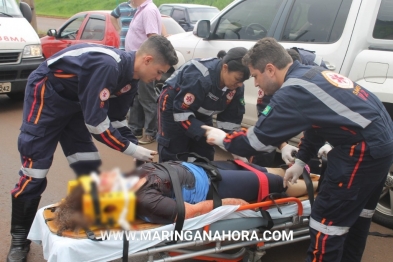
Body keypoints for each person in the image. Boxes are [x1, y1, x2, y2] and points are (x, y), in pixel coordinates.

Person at [203, 37, 393, 262]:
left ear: (270, 69)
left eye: (254, 75)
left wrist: (224, 139)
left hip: (361, 151)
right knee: (358, 216)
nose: (254, 84)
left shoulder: (292, 91)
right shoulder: (312, 74)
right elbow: (317, 124)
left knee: (326, 225)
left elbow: (257, 141)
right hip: (382, 145)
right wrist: (301, 160)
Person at [7, 35, 178, 262]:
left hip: (77, 104)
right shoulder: (108, 65)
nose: (158, 78)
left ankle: (90, 223)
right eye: (159, 71)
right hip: (47, 96)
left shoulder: (131, 80)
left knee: (87, 163)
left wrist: (136, 148)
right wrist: (130, 149)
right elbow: (96, 124)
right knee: (35, 170)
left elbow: (116, 120)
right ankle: (19, 239)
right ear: (147, 60)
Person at [55, 160, 318, 232]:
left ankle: (312, 174)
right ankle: (325, 185)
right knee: (279, 184)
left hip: (204, 169)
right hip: (215, 187)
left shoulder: (124, 183)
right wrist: (227, 203)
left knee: (263, 168)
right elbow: (192, 211)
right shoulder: (145, 201)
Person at [157, 47, 250, 162]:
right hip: (175, 105)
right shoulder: (200, 77)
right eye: (238, 79)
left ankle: (198, 177)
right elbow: (182, 114)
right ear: (225, 68)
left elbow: (230, 121)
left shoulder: (236, 87)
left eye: (243, 81)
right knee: (175, 150)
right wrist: (207, 131)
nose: (240, 84)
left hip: (202, 111)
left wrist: (233, 147)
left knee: (204, 151)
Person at [251, 47, 329, 167]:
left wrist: (328, 143)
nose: (255, 83)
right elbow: (266, 117)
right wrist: (283, 146)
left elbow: (325, 114)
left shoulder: (317, 70)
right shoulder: (275, 75)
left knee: (314, 153)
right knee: (265, 142)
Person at [125, 0, 162, 145]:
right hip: (137, 64)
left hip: (145, 65)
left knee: (147, 99)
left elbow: (153, 38)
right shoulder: (141, 9)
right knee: (136, 98)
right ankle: (135, 129)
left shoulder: (148, 11)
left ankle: (150, 133)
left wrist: (149, 63)